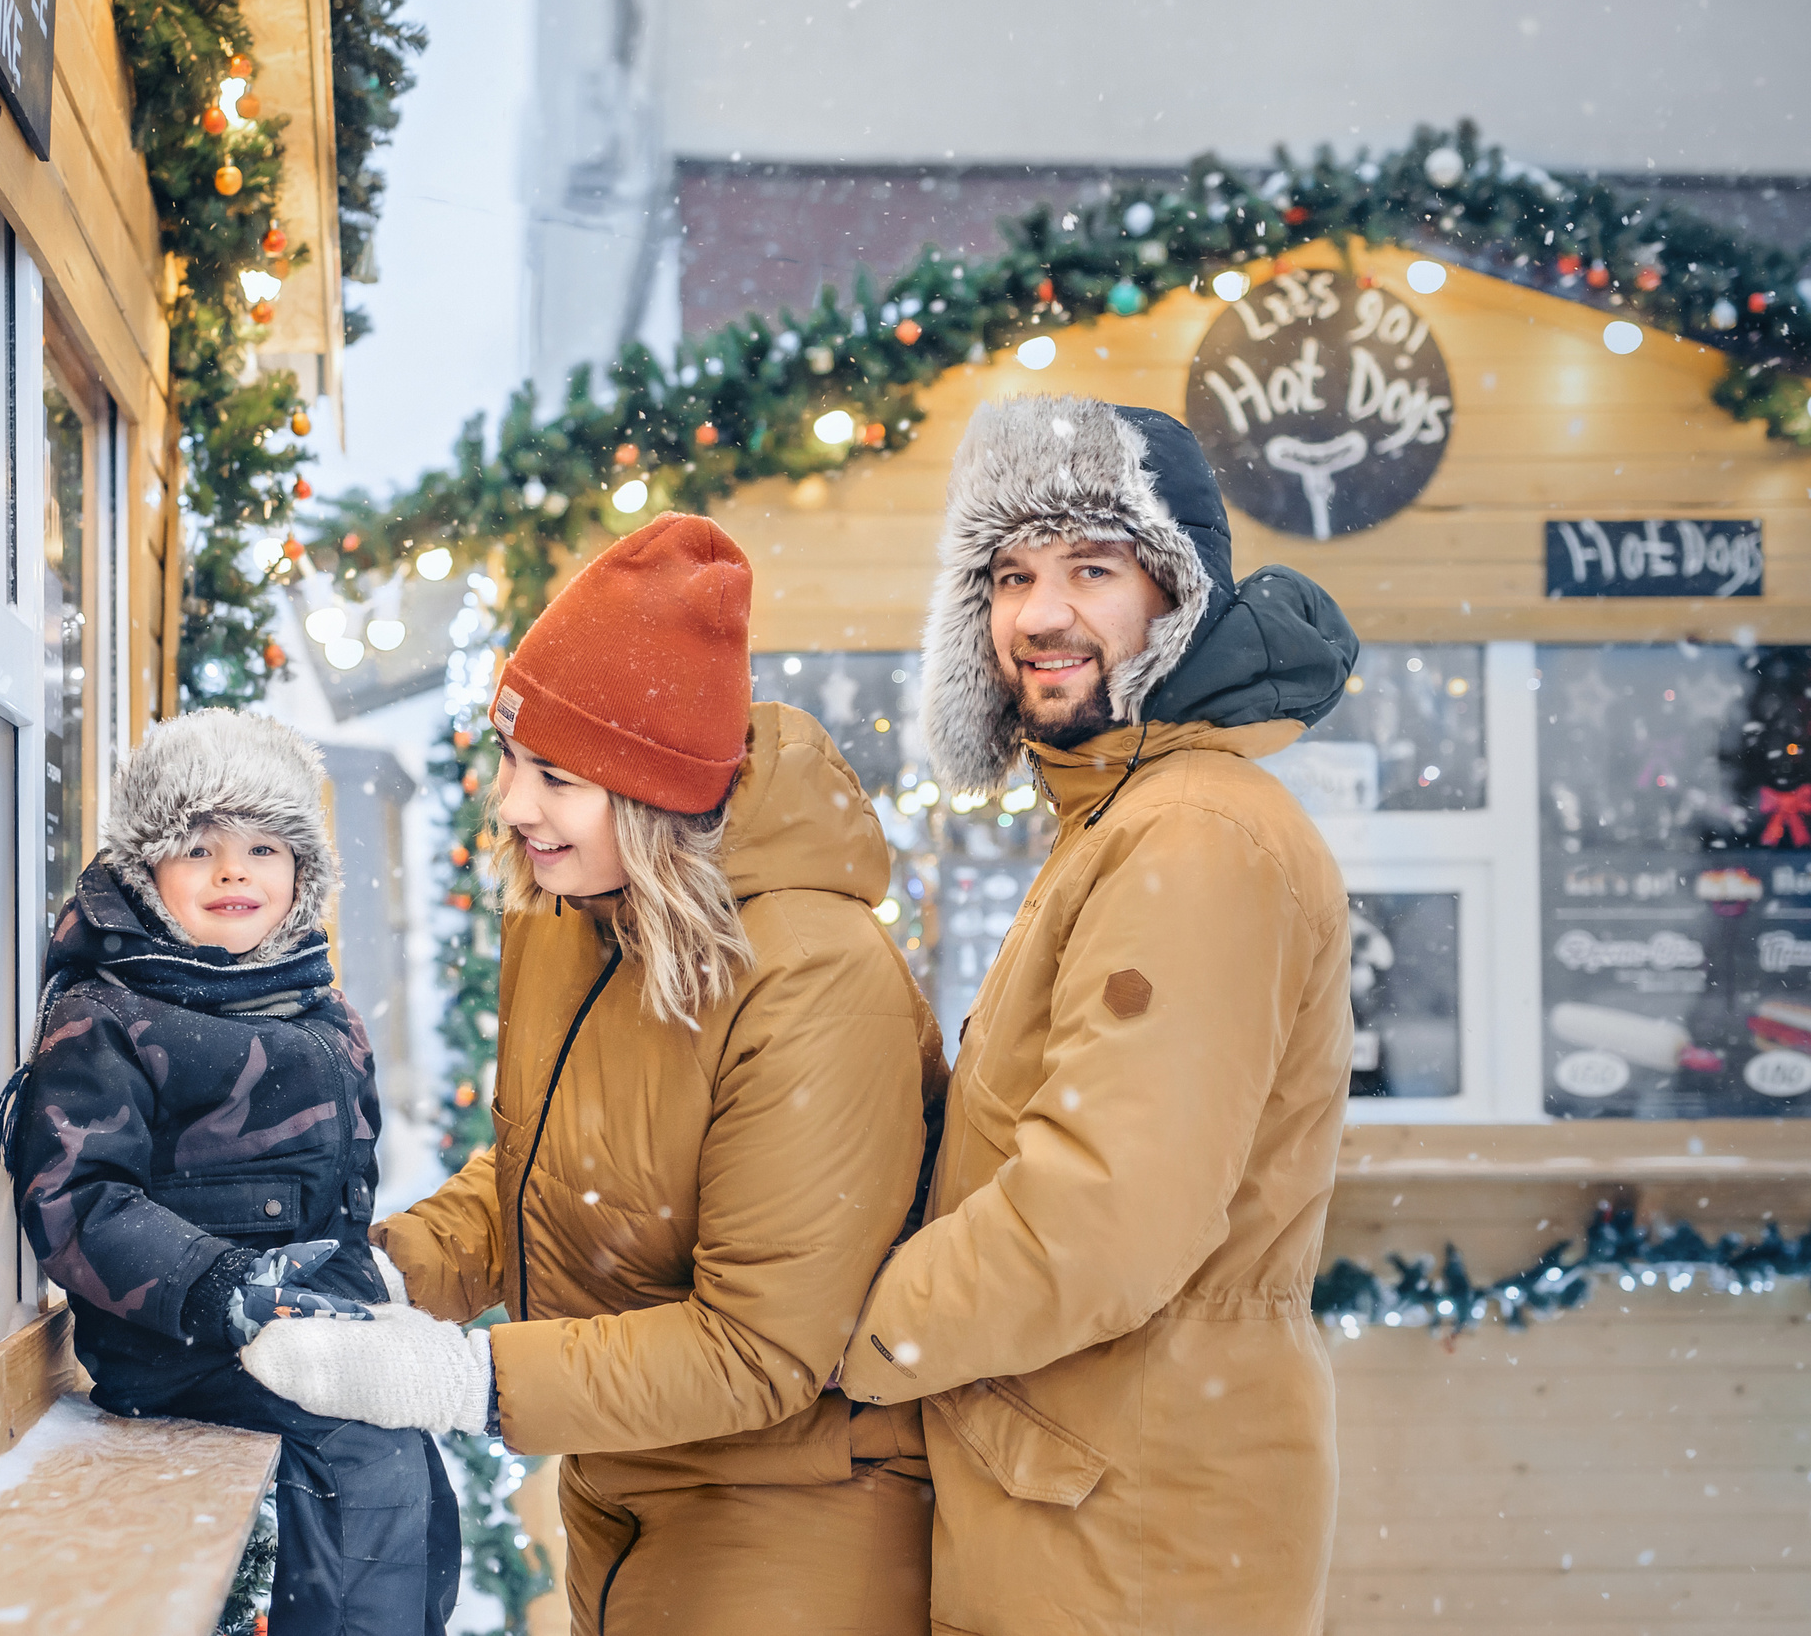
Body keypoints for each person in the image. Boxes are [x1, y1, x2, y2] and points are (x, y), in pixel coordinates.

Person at [240, 514, 942, 1636]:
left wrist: (466, 1380)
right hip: (621, 1488)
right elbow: (542, 1163)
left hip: (793, 1517)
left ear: (658, 791)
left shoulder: (815, 980)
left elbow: (761, 1345)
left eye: (557, 775)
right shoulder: (575, 916)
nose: (514, 804)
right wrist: (386, 1273)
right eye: (511, 757)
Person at [837, 394, 1359, 1635]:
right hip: (1082, 1495)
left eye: (1092, 565)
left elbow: (1104, 1215)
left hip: (1131, 1531)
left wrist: (858, 1334)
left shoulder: (1194, 834)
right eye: (1009, 573)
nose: (1042, 613)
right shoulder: (1118, 821)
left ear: (1177, 595)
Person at [0, 708, 459, 1636]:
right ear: (147, 871)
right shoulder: (109, 1013)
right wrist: (219, 1285)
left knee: (413, 1461)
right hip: (178, 1336)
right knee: (364, 1457)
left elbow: (344, 1186)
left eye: (264, 846)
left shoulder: (321, 1007)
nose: (234, 870)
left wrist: (367, 1299)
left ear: (302, 872)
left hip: (300, 1313)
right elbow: (79, 1198)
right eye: (198, 846)